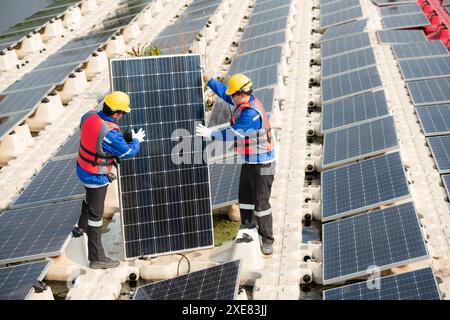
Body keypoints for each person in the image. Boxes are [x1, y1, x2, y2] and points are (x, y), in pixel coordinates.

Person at [196, 73, 276, 255]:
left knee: (261, 203)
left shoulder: (251, 115)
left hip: (264, 164)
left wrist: (210, 134)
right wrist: (209, 81)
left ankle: (267, 239)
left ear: (241, 93)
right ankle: (247, 230)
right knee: (245, 198)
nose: (231, 97)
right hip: (250, 161)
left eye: (234, 94)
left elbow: (234, 134)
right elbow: (225, 93)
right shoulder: (242, 101)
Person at [76, 91, 146, 269]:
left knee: (88, 200)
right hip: (96, 175)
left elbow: (94, 136)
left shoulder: (89, 116)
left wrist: (122, 139)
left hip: (83, 167)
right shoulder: (110, 133)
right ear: (116, 113)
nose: (122, 116)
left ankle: (80, 229)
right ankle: (97, 258)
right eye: (122, 113)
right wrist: (136, 141)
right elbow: (126, 152)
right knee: (96, 216)